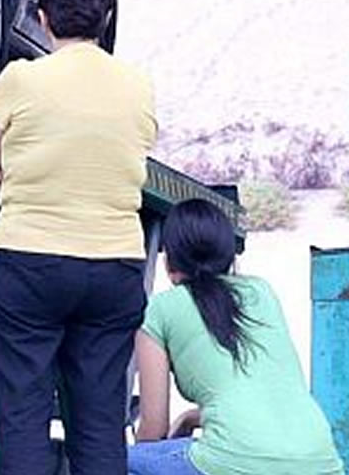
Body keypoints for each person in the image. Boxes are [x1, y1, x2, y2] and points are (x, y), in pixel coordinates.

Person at [0, 0, 158, 475]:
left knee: (24, 413)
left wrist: (0, 174)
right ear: (106, 16)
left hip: (29, 264)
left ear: (42, 17)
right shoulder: (136, 84)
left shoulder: (21, 78)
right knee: (99, 421)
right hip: (114, 266)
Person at [129, 198, 344, 475]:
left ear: (169, 260)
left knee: (105, 461)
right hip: (320, 461)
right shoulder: (260, 292)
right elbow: (260, 396)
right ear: (229, 256)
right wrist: (191, 419)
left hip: (234, 462)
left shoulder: (160, 309)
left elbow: (153, 429)